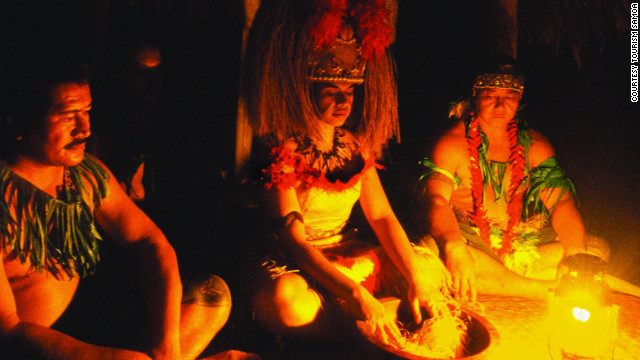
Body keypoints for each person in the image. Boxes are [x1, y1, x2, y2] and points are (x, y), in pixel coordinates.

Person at [239, 0, 453, 345]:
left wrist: (414, 274)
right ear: (307, 92)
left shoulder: (355, 145)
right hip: (298, 264)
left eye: (350, 91)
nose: (344, 102)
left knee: (428, 268)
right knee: (285, 302)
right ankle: (373, 322)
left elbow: (381, 216)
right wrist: (356, 296)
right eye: (332, 92)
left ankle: (373, 319)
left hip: (348, 251)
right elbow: (295, 244)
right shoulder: (281, 152)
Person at [0, 62, 235, 359]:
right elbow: (8, 330)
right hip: (35, 351)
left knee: (209, 295)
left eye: (86, 111)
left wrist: (166, 347)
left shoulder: (86, 176)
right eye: (67, 115)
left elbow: (153, 243)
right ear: (18, 124)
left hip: (97, 332)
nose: (85, 128)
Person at [418, 61, 640, 301]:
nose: (500, 105)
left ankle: (505, 280)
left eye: (510, 96)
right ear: (475, 96)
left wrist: (576, 259)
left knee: (593, 251)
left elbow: (561, 203)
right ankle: (540, 289)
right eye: (490, 95)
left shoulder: (536, 145)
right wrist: (455, 247)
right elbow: (437, 200)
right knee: (430, 252)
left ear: (519, 98)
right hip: (471, 243)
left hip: (518, 246)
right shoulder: (451, 145)